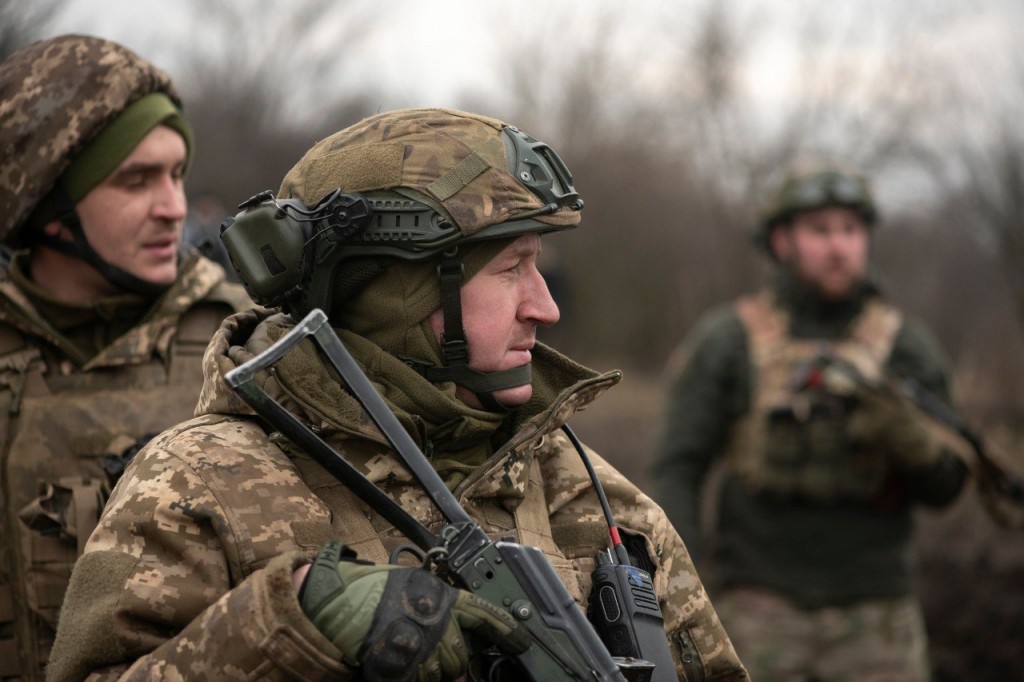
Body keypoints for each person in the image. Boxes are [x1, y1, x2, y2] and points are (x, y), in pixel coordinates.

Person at [48, 108, 748, 681]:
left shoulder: (599, 503)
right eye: (511, 269)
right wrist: (287, 624)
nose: (545, 306)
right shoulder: (197, 486)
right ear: (397, 294)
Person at [653, 161, 972, 681]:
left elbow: (949, 488)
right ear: (783, 241)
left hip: (878, 616)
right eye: (820, 230)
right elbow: (679, 466)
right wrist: (682, 585)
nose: (839, 246)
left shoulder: (906, 348)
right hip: (756, 608)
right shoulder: (729, 339)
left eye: (850, 229)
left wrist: (909, 438)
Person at [0, 34, 250, 681]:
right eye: (136, 181)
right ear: (50, 204)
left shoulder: (247, 348)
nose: (173, 209)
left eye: (177, 174)